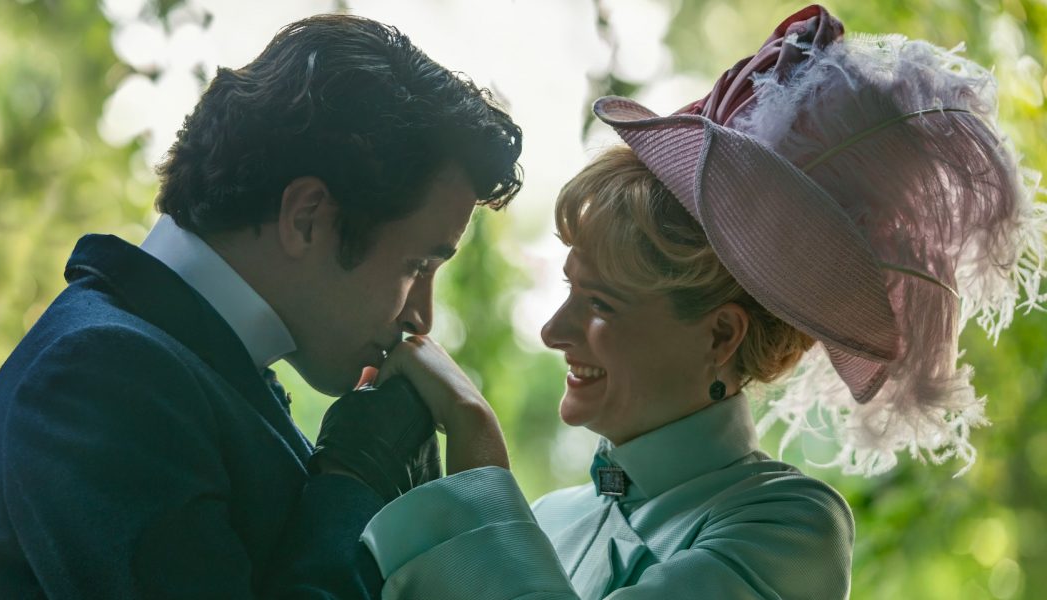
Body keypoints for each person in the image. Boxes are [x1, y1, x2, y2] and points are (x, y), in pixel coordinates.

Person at [354, 5, 1044, 599]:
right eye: (568, 290)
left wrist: (476, 446)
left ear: (719, 336)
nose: (553, 331)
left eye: (600, 304)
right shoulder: (552, 517)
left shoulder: (788, 526)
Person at [0, 14, 522, 599]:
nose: (421, 319)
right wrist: (356, 473)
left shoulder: (194, 369)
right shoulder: (97, 376)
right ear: (307, 218)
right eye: (417, 266)